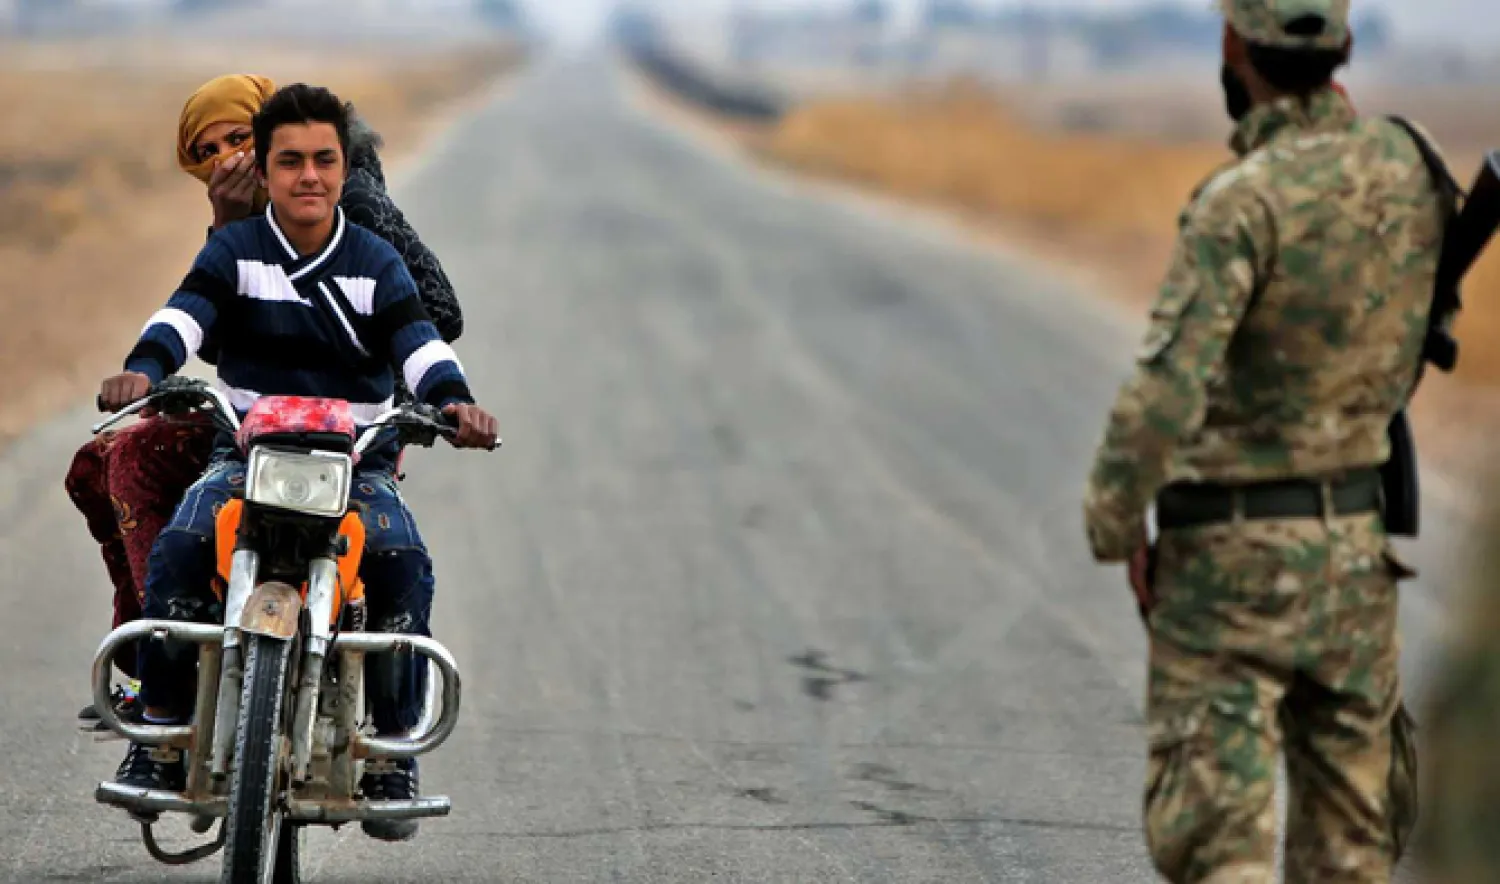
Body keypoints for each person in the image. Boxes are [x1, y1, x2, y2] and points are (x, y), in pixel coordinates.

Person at [1081, 0, 1441, 880]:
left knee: (1221, 846)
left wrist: (1116, 520)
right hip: (1355, 564)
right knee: (1351, 853)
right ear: (1347, 49)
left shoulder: (1239, 205)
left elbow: (1166, 390)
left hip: (1230, 575)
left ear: (1233, 44)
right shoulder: (1408, 168)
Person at [99, 82, 499, 843]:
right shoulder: (233, 248)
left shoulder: (377, 260)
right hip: (243, 452)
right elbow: (182, 317)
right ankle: (156, 733)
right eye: (290, 162)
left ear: (348, 168)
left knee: (401, 562)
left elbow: (422, 345)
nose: (307, 176)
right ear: (270, 168)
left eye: (324, 160)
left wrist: (455, 404)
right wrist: (143, 369)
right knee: (181, 549)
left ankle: (391, 754)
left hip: (358, 464)